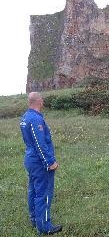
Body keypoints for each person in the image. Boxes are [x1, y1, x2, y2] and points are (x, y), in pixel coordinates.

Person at [20, 92, 62, 235]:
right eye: (42, 99)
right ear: (40, 101)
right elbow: (40, 143)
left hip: (30, 159)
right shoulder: (35, 119)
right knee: (43, 193)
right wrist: (50, 162)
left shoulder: (25, 117)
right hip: (39, 162)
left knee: (33, 191)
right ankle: (44, 226)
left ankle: (35, 220)